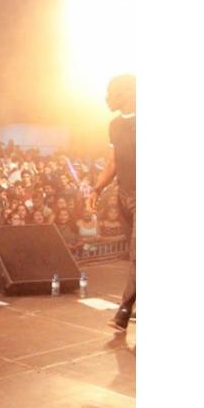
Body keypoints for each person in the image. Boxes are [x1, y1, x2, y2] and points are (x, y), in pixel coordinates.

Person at [89, 74, 135, 332]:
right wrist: (97, 187)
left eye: (111, 92)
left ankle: (124, 312)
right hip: (124, 195)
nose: (107, 98)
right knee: (134, 255)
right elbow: (114, 161)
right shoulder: (115, 125)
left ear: (127, 93)